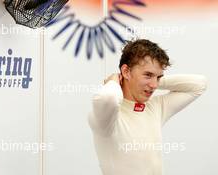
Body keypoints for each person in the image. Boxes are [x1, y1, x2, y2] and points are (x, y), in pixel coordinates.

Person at [88, 39, 207, 175]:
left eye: (158, 77)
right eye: (148, 75)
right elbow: (108, 98)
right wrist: (114, 80)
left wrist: (151, 81)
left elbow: (199, 85)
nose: (154, 85)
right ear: (126, 71)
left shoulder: (155, 107)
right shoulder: (106, 117)